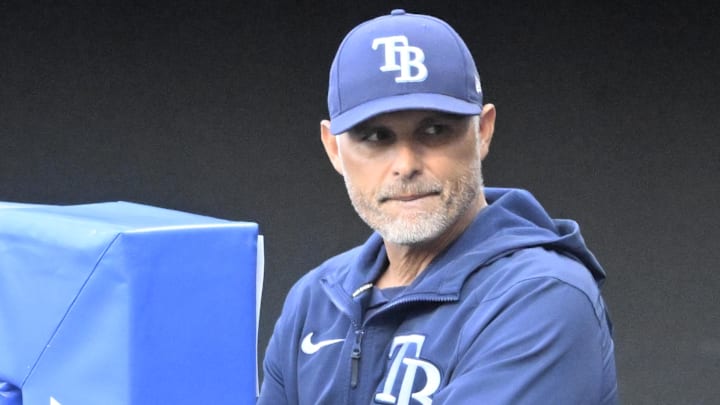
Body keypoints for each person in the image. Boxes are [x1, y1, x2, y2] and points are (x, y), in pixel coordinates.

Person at [257, 9, 618, 405]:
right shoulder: (315, 299)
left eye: (434, 130)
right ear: (333, 149)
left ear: (482, 131)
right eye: (376, 136)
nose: (406, 165)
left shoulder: (542, 295)